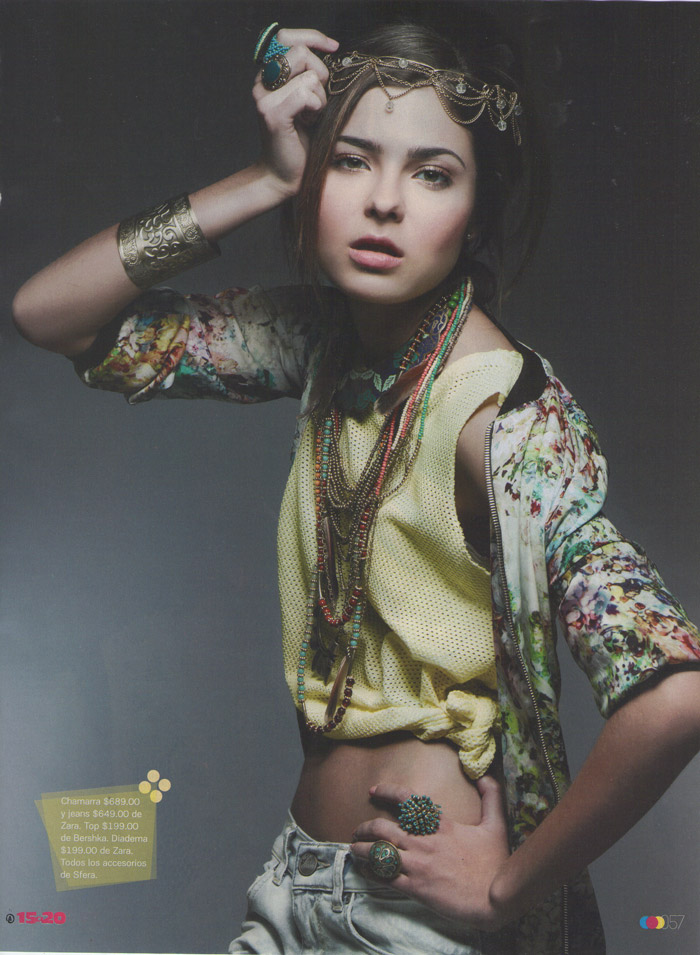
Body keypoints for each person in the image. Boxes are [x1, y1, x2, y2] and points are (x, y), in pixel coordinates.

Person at [12, 17, 700, 955]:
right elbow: (50, 314)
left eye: (432, 174)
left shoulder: (504, 418)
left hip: (414, 918)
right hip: (294, 885)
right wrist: (263, 179)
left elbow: (673, 695)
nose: (383, 201)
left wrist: (504, 892)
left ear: (476, 210)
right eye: (350, 161)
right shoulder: (321, 344)